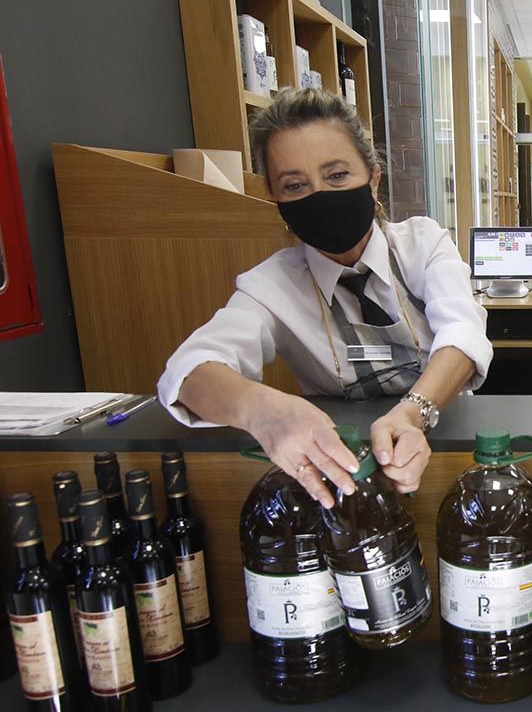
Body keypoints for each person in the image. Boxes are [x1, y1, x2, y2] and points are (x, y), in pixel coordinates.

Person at [157, 87, 491, 508]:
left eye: (337, 176)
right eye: (295, 185)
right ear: (276, 200)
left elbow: (462, 331)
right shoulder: (271, 286)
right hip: (342, 473)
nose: (319, 196)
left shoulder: (422, 245)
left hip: (449, 448)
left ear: (373, 178)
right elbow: (187, 372)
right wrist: (265, 410)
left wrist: (412, 413)